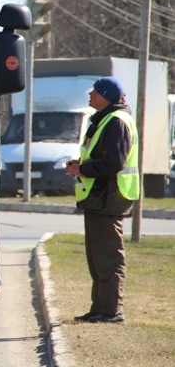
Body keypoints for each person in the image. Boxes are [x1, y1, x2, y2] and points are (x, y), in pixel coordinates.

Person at [64, 77, 140, 324]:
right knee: (97, 258)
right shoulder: (105, 119)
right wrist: (79, 165)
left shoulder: (117, 121)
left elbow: (113, 162)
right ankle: (99, 309)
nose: (90, 95)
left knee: (108, 258)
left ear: (106, 96)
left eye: (94, 92)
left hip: (110, 197)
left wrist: (82, 169)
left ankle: (111, 312)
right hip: (99, 197)